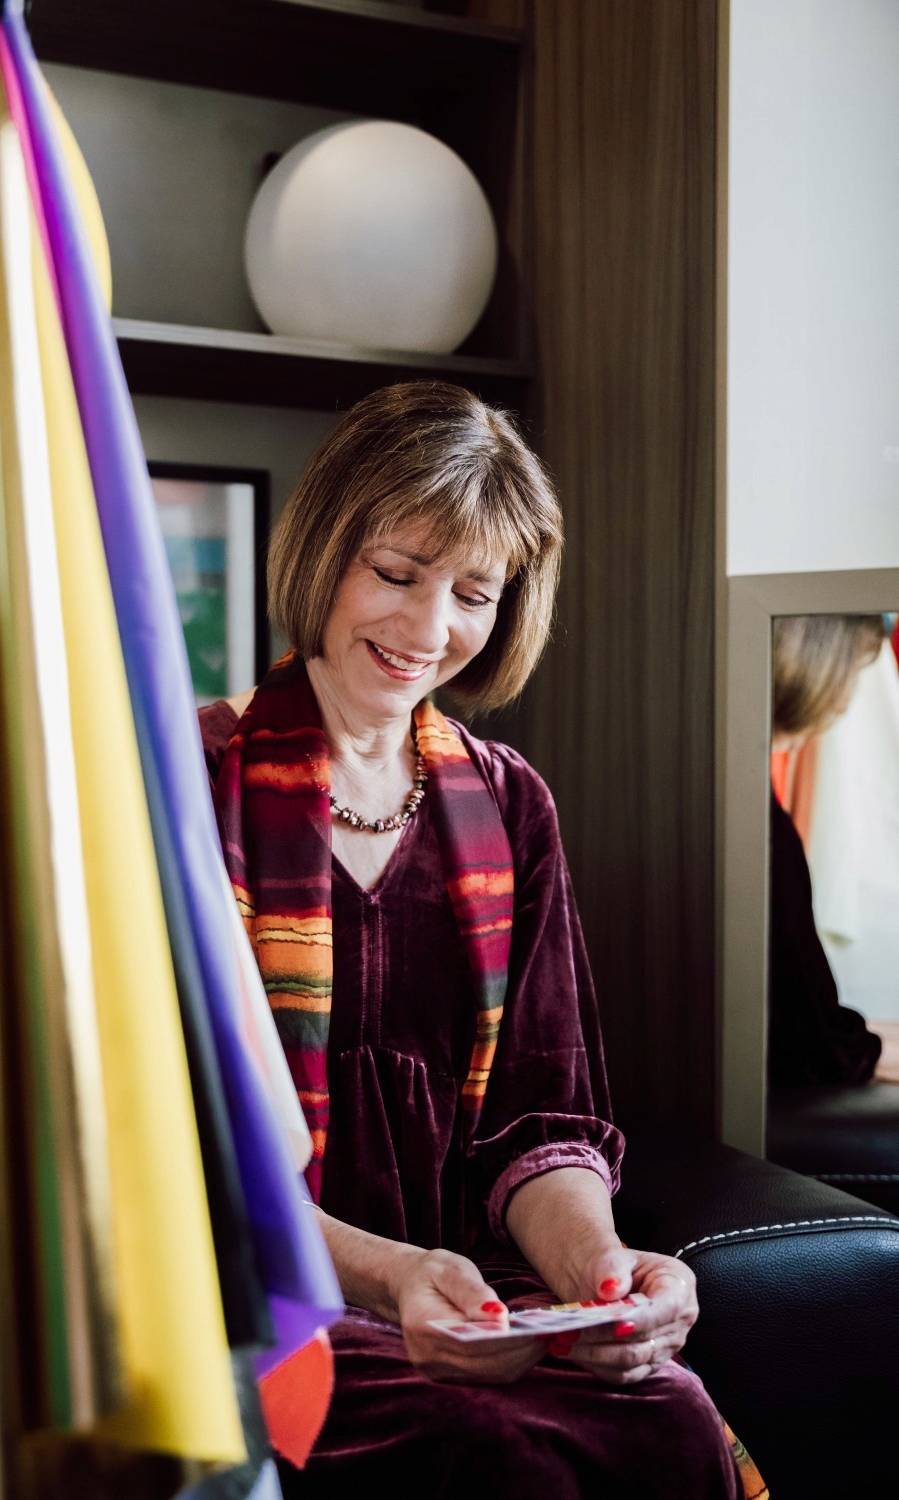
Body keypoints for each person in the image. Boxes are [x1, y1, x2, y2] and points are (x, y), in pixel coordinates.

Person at [199, 383, 745, 1498]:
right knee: (483, 1447)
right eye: (397, 574)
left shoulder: (511, 803)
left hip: (468, 1286)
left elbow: (540, 1124)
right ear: (325, 549)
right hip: (253, 1286)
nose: (427, 629)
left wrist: (600, 1273)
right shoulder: (189, 778)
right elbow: (176, 1149)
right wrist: (392, 1276)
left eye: (473, 594)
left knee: (672, 1418)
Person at [768, 613, 899, 1086]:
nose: (846, 703)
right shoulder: (765, 832)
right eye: (851, 675)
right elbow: (808, 1035)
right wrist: (863, 1050)